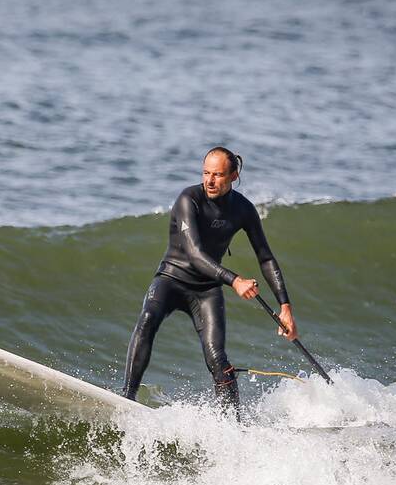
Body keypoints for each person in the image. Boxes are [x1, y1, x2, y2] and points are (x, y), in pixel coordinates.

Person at [122, 147, 298, 417]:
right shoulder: (188, 199)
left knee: (218, 359)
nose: (210, 180)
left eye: (217, 175)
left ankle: (232, 425)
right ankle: (127, 397)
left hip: (206, 291)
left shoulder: (243, 209)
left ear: (234, 176)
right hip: (171, 278)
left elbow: (266, 258)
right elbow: (194, 254)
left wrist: (285, 306)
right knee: (147, 319)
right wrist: (235, 280)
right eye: (206, 173)